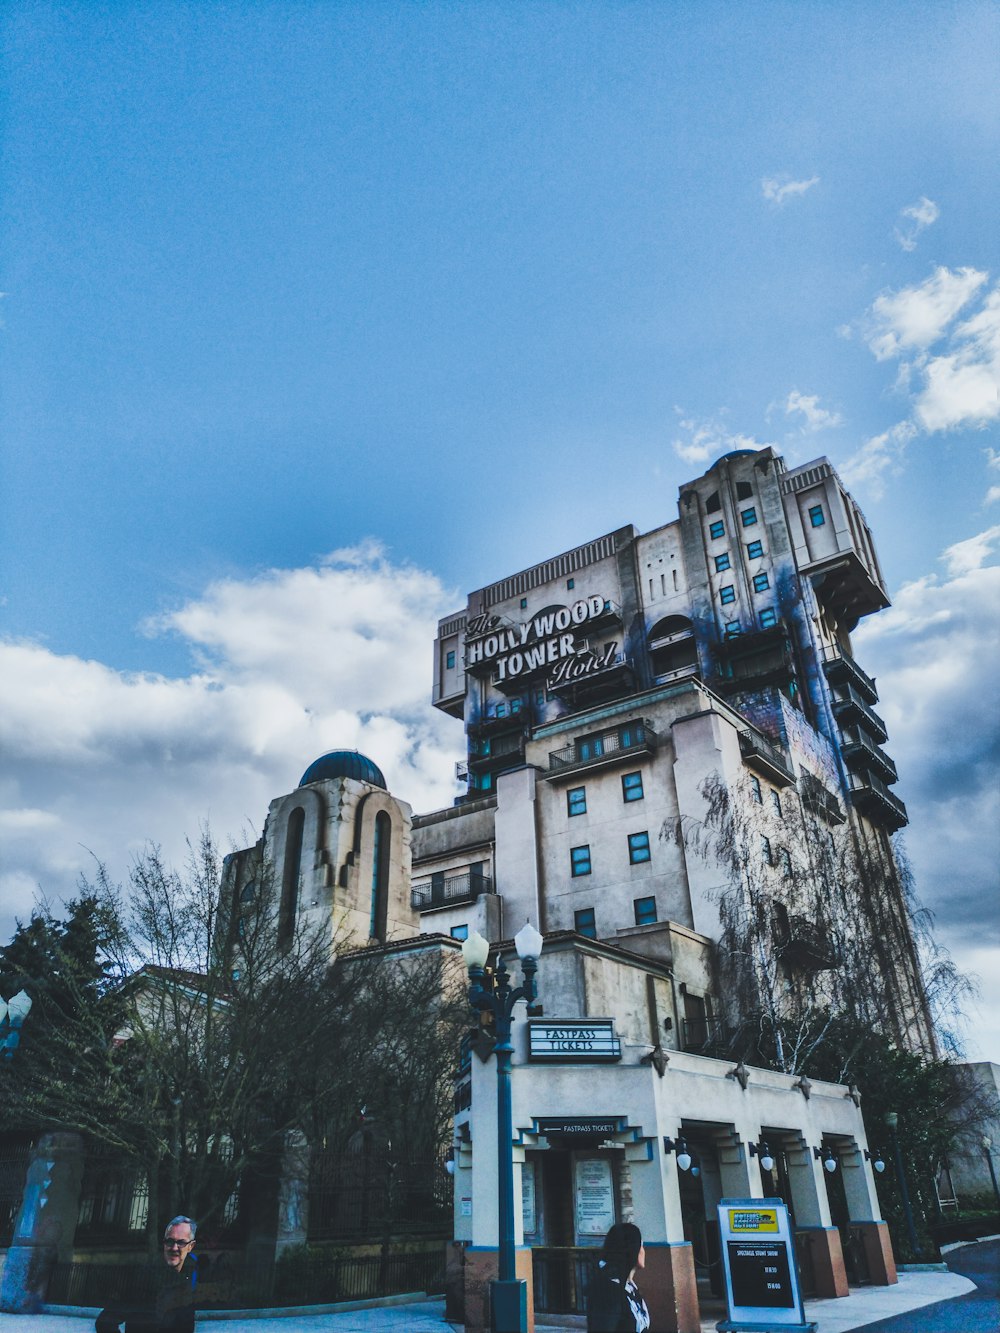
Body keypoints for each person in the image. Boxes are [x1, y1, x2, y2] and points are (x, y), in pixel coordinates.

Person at [96, 1216, 197, 1333]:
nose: (174, 1248)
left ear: (191, 1246)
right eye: (169, 1241)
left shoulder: (189, 1279)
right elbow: (105, 1322)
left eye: (181, 1242)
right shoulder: (144, 1279)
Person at [586, 1221, 650, 1333]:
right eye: (641, 1245)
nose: (643, 1251)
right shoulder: (607, 1293)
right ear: (632, 1250)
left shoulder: (629, 1287)